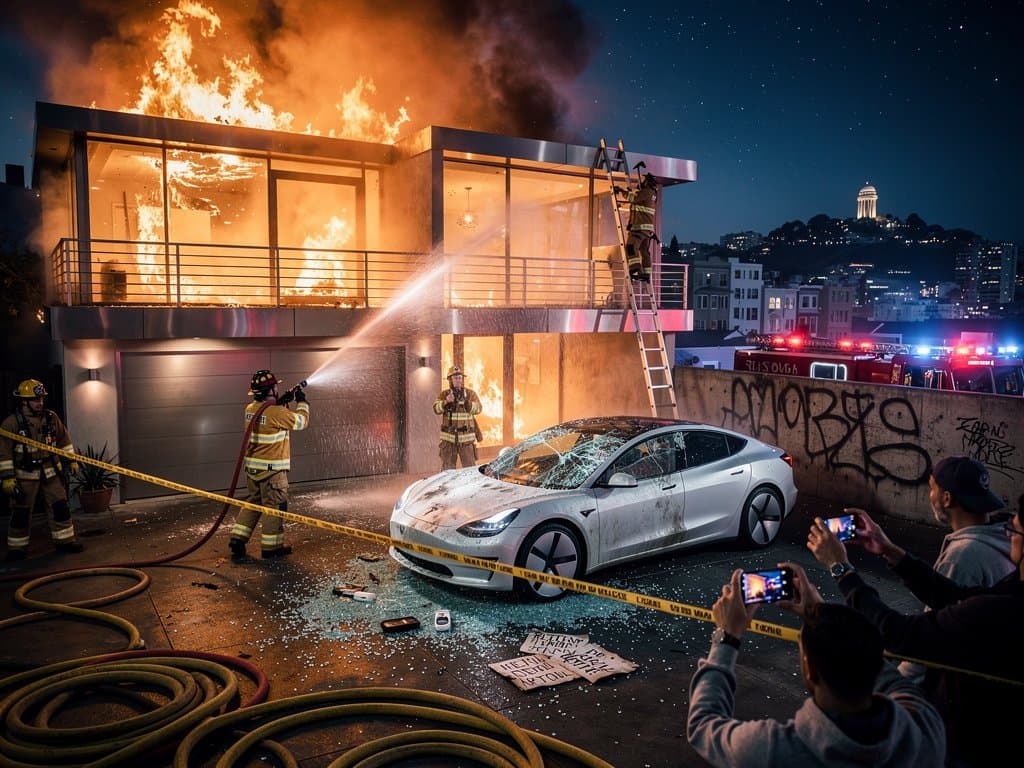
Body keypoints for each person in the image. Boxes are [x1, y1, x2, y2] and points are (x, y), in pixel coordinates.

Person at [806, 499, 1024, 768]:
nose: (1008, 537)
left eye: (1014, 531)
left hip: (972, 747)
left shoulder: (1004, 609)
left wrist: (840, 568)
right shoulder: (1011, 590)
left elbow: (897, 633)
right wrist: (888, 549)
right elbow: (955, 595)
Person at [687, 564, 945, 767]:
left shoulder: (773, 751)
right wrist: (822, 614)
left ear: (810, 670)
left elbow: (703, 726)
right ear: (877, 666)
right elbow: (895, 682)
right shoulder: (926, 730)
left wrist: (727, 636)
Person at [898, 455, 1014, 682]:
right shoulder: (1007, 537)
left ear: (947, 498)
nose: (930, 496)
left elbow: (930, 640)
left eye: (932, 489)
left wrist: (896, 682)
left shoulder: (962, 559)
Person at [228, 370, 310, 560]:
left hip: (253, 470)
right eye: (275, 386)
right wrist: (302, 402)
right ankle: (272, 548)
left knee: (254, 502)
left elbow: (268, 416)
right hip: (272, 472)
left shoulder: (250, 409)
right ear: (270, 390)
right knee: (274, 506)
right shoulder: (277, 412)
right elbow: (301, 422)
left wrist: (282, 402)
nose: (277, 388)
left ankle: (237, 539)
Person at [0, 379, 84, 560]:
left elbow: (64, 441)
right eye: (35, 399)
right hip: (25, 476)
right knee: (21, 513)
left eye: (41, 399)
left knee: (60, 507)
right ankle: (17, 549)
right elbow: (4, 453)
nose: (40, 403)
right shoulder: (11, 423)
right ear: (24, 401)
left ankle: (65, 541)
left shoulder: (51, 418)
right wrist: (7, 478)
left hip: (51, 473)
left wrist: (71, 460)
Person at [433, 365, 482, 470]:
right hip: (448, 441)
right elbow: (436, 409)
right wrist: (446, 402)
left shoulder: (470, 394)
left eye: (460, 378)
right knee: (448, 471)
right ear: (450, 380)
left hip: (466, 441)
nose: (458, 380)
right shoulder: (444, 394)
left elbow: (479, 409)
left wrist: (468, 404)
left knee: (470, 470)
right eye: (455, 378)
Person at [624, 172, 658, 282]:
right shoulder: (653, 194)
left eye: (644, 180)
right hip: (646, 230)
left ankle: (635, 270)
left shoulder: (646, 192)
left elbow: (633, 198)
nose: (642, 182)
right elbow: (638, 203)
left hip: (639, 228)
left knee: (631, 247)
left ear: (647, 182)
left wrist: (621, 192)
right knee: (644, 251)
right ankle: (646, 275)